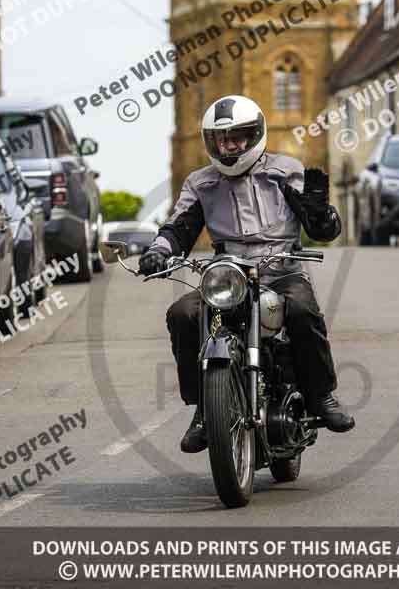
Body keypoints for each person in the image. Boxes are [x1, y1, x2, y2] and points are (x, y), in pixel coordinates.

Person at [139, 95, 354, 453]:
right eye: (222, 139)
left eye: (238, 137)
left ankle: (320, 396)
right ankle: (205, 411)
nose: (230, 145)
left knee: (303, 312)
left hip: (281, 269)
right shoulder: (201, 183)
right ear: (211, 142)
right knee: (183, 314)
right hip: (228, 273)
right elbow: (179, 227)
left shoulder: (285, 171)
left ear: (255, 135)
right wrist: (158, 252)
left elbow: (322, 232)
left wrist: (320, 213)